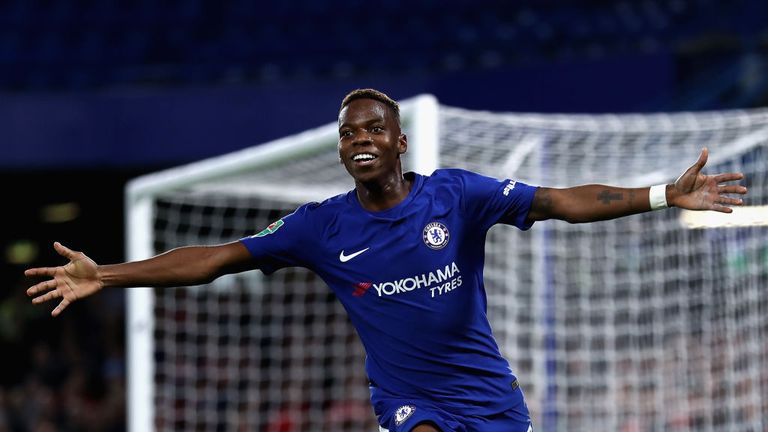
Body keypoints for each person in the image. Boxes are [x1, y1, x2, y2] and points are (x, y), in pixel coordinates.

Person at [25, 88, 748, 432]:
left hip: (491, 400)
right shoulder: (318, 226)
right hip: (412, 406)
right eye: (348, 133)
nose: (359, 139)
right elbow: (215, 259)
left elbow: (566, 201)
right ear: (341, 150)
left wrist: (661, 195)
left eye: (374, 128)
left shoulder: (458, 197)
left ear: (400, 143)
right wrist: (107, 274)